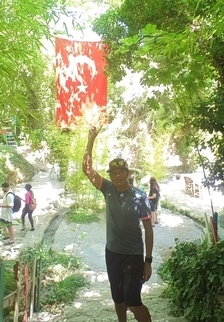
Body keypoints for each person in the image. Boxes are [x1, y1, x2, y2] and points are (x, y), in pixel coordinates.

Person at [82, 126, 153, 322]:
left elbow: (148, 229)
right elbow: (87, 170)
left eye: (121, 172)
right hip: (112, 252)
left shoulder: (140, 197)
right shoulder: (107, 188)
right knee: (118, 299)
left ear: (128, 173)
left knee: (133, 301)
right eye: (114, 173)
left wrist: (148, 261)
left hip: (133, 254)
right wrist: (91, 139)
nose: (117, 176)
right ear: (111, 175)